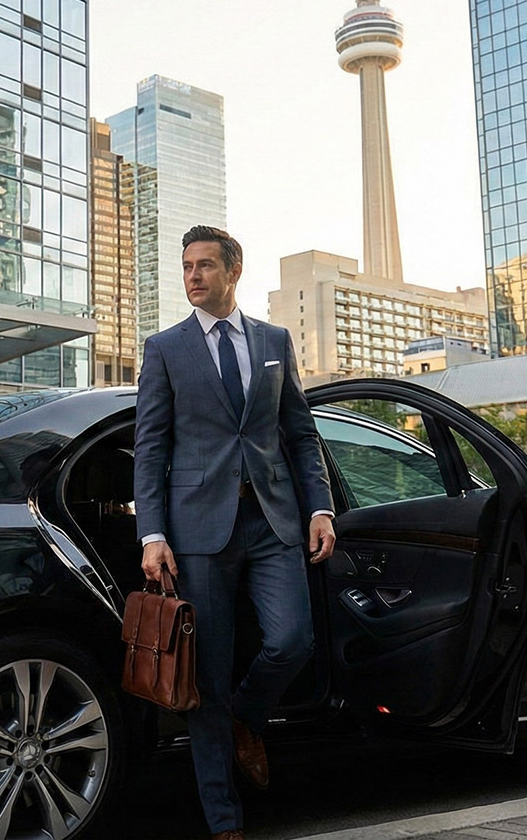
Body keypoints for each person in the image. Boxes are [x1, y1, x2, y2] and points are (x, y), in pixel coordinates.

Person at [133, 225, 336, 840]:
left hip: (273, 519)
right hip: (197, 530)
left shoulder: (274, 341)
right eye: (187, 266)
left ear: (233, 271)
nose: (192, 276)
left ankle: (248, 719)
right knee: (208, 676)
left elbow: (299, 433)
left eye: (204, 266)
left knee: (293, 640)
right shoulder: (165, 348)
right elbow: (150, 447)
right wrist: (152, 535)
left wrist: (320, 508)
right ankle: (224, 821)